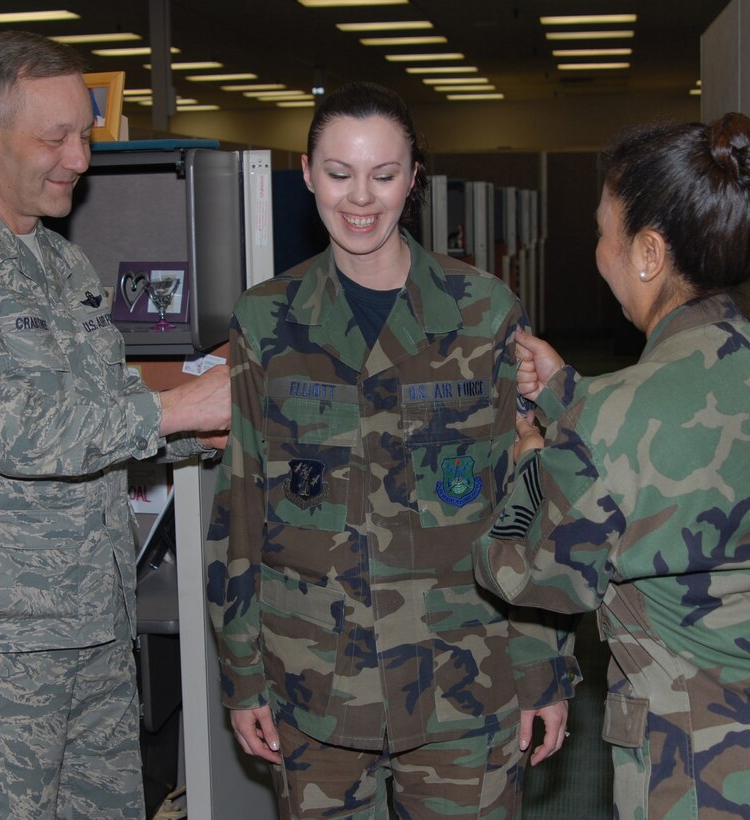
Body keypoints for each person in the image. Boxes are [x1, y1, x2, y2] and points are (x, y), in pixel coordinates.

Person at [474, 113, 750, 818]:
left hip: (723, 780)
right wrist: (570, 396)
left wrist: (532, 461)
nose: (599, 252)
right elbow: (689, 448)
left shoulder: (612, 417)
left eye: (603, 233)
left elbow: (516, 568)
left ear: (648, 253)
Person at [204, 81, 577, 818]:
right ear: (306, 173)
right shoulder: (266, 320)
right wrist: (243, 672)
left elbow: (526, 502)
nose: (360, 199)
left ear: (414, 179)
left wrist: (543, 669)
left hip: (465, 680)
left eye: (383, 174)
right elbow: (240, 508)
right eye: (339, 173)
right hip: (314, 682)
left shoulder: (482, 313)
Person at [0, 31, 230, 818]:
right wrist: (177, 408)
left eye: (84, 134)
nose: (79, 158)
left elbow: (104, 407)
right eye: (56, 137)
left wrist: (206, 427)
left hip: (91, 632)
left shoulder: (60, 263)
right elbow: (14, 431)